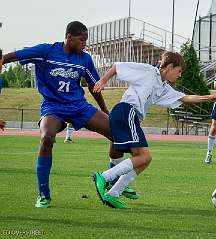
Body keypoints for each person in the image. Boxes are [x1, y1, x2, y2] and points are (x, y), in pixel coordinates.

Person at [0, 21, 137, 208]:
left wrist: (105, 111)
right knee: (46, 138)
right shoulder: (46, 51)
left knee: (118, 134)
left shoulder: (85, 59)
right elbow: (13, 56)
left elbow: (94, 87)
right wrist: (2, 61)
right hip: (53, 107)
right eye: (82, 40)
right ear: (69, 37)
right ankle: (43, 195)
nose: (85, 44)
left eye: (86, 40)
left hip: (79, 107)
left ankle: (111, 178)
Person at [92, 52, 216, 208]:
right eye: (179, 71)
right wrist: (102, 81)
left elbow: (185, 98)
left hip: (129, 116)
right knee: (143, 157)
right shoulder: (148, 71)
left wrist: (209, 97)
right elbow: (117, 67)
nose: (180, 75)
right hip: (126, 111)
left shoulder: (164, 87)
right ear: (170, 67)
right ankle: (104, 177)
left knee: (144, 160)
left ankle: (113, 193)